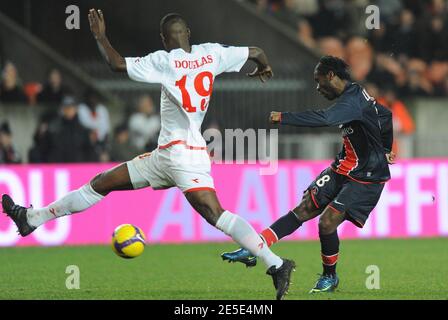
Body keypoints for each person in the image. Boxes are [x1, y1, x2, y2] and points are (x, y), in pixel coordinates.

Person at [1, 9, 295, 300]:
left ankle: (277, 264)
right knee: (101, 182)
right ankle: (32, 218)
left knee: (216, 215)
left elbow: (116, 64)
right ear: (188, 34)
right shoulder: (213, 53)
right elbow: (256, 51)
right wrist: (264, 67)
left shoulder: (165, 61)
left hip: (182, 157)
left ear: (163, 39)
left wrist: (101, 37)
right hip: (165, 155)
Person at [221, 56, 395, 293]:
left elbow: (326, 118)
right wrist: (385, 147)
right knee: (303, 208)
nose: (317, 87)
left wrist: (284, 117)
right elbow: (384, 115)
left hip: (367, 176)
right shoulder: (356, 96)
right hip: (343, 167)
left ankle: (329, 277)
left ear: (331, 76)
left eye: (318, 80)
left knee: (327, 222)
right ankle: (255, 248)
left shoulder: (352, 100)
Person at [46, 96, 96, 163]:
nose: (68, 110)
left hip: (79, 168)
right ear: (62, 109)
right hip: (60, 168)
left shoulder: (83, 130)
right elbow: (49, 149)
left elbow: (89, 151)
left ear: (76, 109)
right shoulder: (55, 129)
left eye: (71, 108)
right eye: (66, 108)